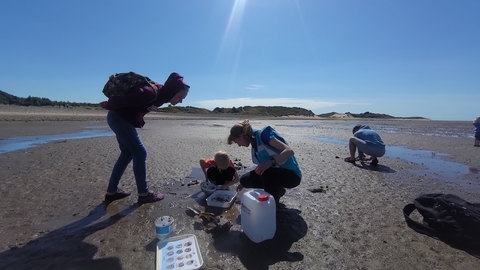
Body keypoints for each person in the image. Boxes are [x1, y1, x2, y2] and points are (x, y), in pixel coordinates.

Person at [100, 72, 190, 205]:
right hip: (119, 119)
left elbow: (137, 104)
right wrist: (107, 105)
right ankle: (144, 194)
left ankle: (111, 193)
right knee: (140, 153)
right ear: (173, 91)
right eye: (180, 97)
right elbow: (123, 101)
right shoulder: (150, 92)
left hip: (121, 119)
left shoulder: (162, 95)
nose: (181, 101)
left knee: (127, 154)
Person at [227, 119, 302, 204]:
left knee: (266, 173)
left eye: (237, 142)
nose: (239, 145)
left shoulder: (263, 135)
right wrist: (242, 184)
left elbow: (289, 151)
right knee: (244, 180)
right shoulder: (254, 144)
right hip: (275, 173)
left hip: (292, 176)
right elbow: (262, 167)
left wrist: (270, 162)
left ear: (241, 136)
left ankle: (272, 204)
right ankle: (278, 191)